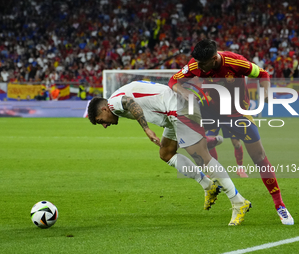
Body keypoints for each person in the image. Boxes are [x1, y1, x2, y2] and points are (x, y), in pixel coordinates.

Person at [87, 80, 251, 226]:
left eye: (101, 121)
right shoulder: (116, 101)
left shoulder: (113, 103)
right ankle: (208, 186)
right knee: (166, 153)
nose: (105, 125)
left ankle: (238, 202)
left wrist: (146, 129)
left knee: (203, 158)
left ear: (103, 109)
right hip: (171, 114)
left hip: (177, 110)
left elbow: (131, 102)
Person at [168, 39, 294, 225]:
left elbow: (263, 74)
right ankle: (223, 188)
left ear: (214, 58)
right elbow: (173, 81)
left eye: (203, 64)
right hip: (210, 113)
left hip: (237, 114)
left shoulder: (235, 62)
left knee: (259, 157)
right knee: (198, 150)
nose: (199, 69)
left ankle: (280, 205)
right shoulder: (196, 64)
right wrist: (183, 92)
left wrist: (266, 93)